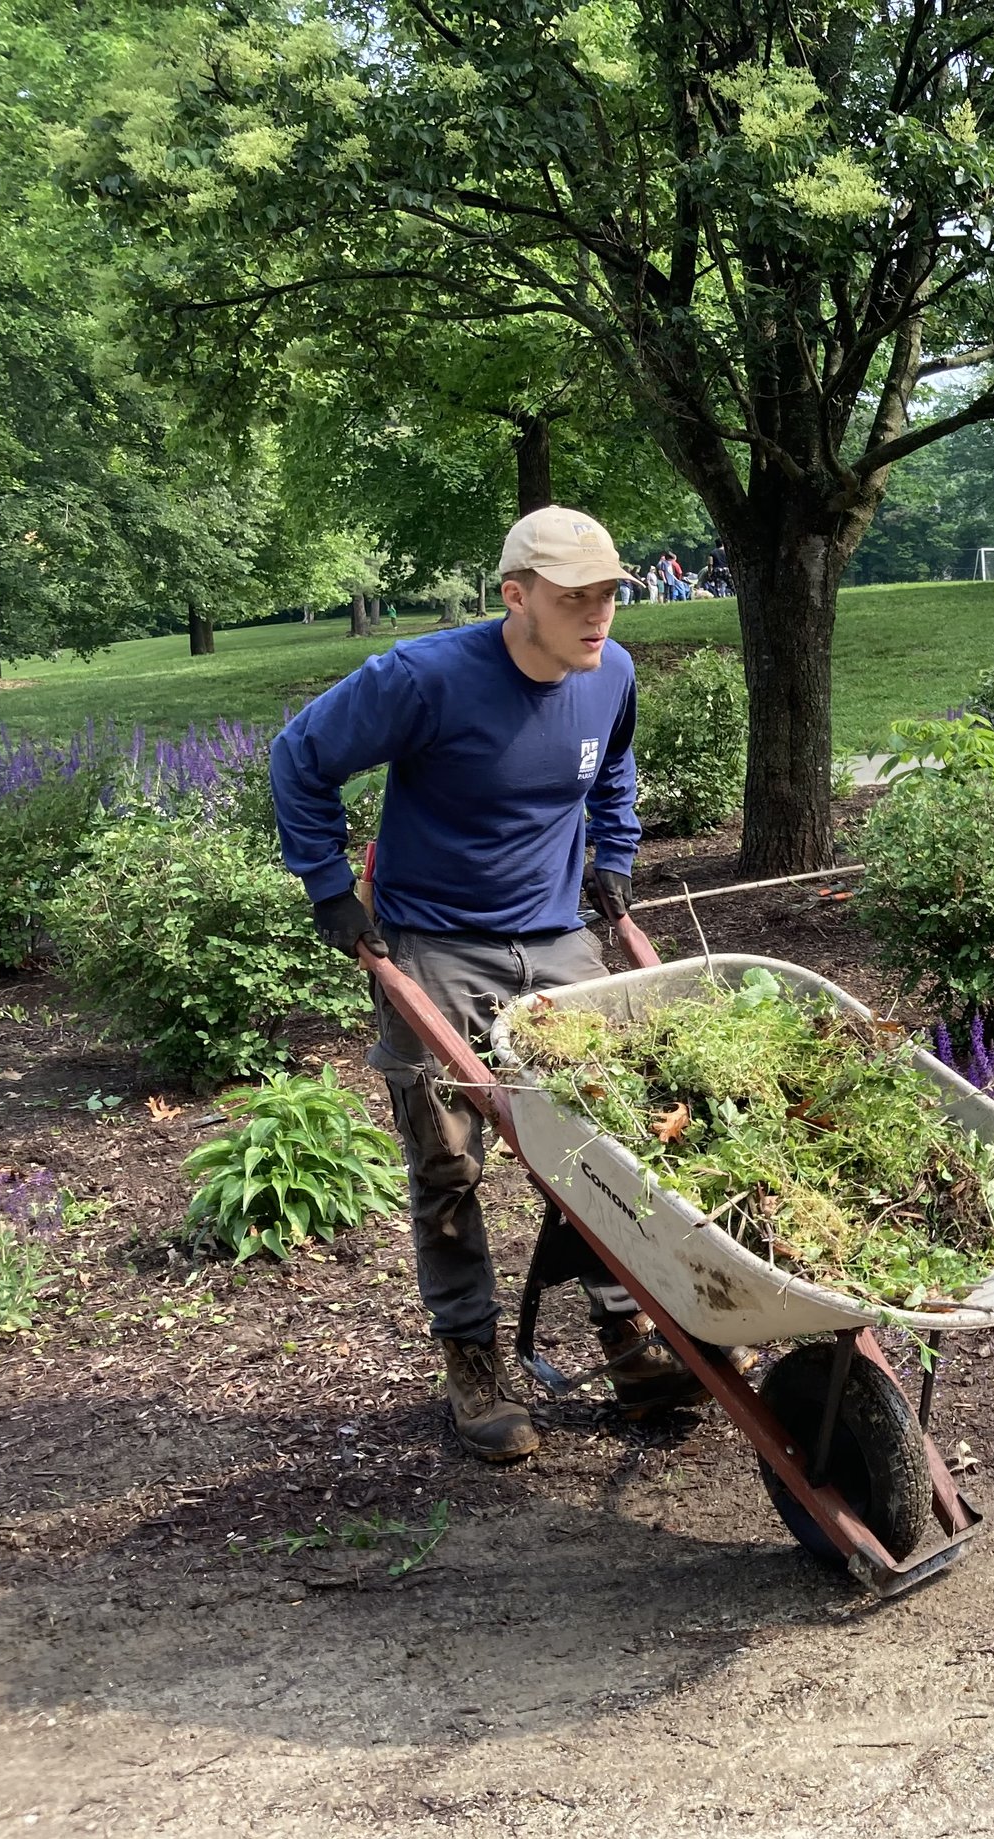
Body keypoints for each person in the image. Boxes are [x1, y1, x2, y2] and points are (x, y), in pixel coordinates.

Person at [270, 506, 701, 1463]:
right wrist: (329, 886)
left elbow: (611, 773)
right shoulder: (425, 678)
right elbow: (299, 757)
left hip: (553, 937)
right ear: (517, 598)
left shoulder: (611, 676)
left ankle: (626, 1333)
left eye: (610, 597)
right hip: (433, 942)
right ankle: (471, 1357)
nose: (599, 617)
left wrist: (614, 858)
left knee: (611, 1139)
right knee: (448, 1156)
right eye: (574, 598)